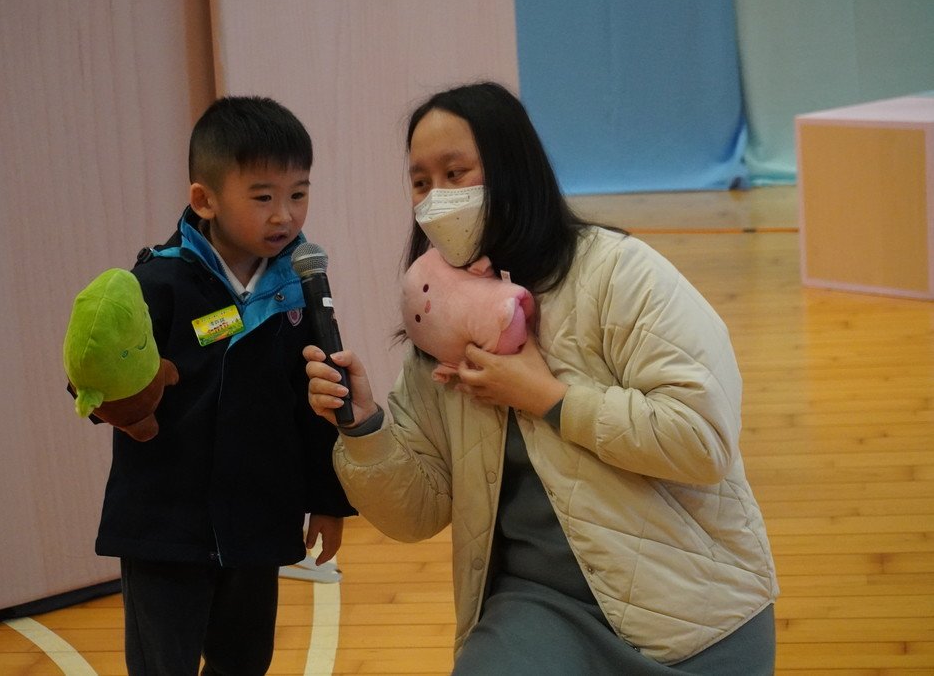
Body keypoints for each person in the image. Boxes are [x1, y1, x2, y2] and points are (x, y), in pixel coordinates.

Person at [304, 81, 778, 674]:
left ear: (512, 169)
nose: (436, 198)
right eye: (421, 182)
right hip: (539, 609)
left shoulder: (617, 272)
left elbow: (701, 440)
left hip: (692, 608)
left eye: (456, 173)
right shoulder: (437, 322)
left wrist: (549, 398)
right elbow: (416, 513)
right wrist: (365, 427)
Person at [95, 95, 356, 676]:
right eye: (263, 197)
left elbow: (315, 403)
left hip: (258, 520)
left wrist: (327, 500)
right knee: (161, 665)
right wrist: (112, 398)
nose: (284, 215)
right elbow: (105, 377)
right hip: (164, 526)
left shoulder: (300, 287)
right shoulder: (157, 281)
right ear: (204, 200)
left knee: (245, 660)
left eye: (298, 194)